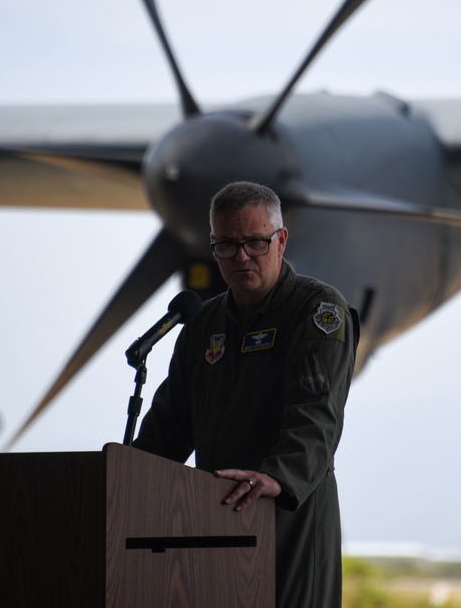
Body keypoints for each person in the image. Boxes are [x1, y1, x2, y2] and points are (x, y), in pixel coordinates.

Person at [132, 181, 359, 607]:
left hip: (288, 518)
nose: (241, 257)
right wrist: (122, 482)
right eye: (227, 245)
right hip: (214, 525)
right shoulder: (202, 325)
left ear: (281, 240)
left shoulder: (315, 311)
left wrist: (277, 476)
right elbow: (167, 430)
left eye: (255, 243)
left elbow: (317, 416)